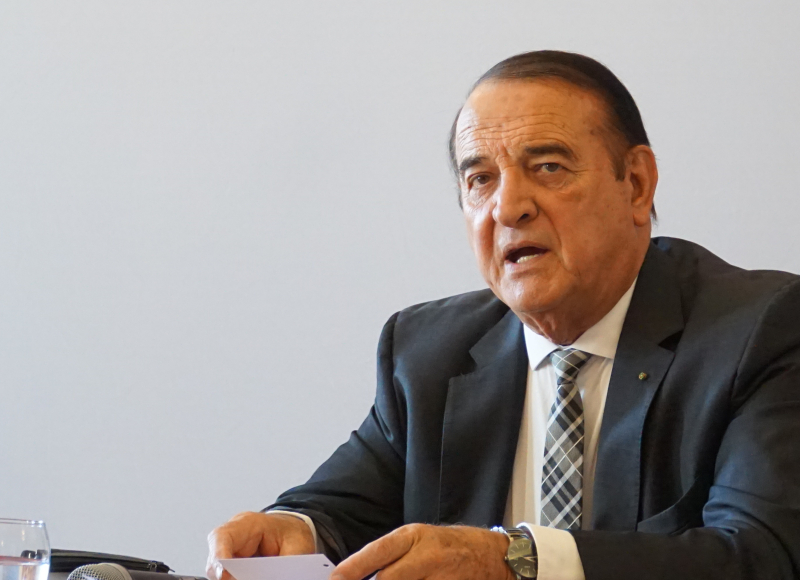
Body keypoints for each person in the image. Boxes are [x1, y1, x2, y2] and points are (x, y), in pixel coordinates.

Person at [206, 51, 800, 580]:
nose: (508, 207)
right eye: (480, 179)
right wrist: (293, 528)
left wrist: (516, 560)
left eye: (548, 167)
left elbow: (759, 556)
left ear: (637, 185)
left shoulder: (759, 330)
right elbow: (340, 509)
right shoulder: (428, 352)